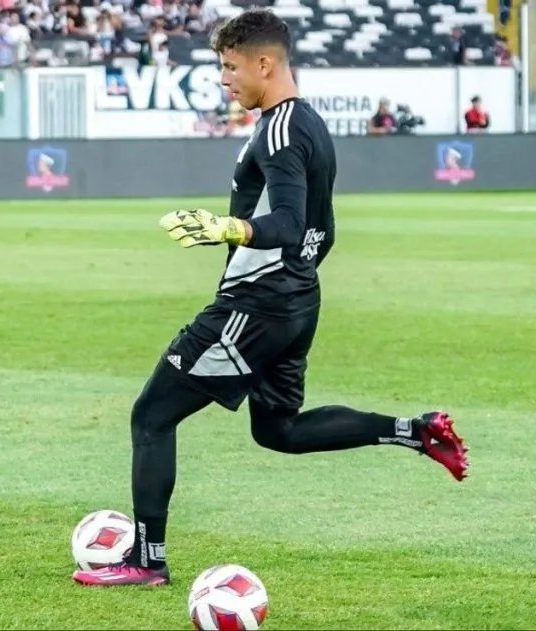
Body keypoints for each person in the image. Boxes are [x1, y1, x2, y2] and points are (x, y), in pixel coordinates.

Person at [72, 7, 470, 589]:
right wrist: (292, 280)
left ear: (265, 63)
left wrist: (234, 233)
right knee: (277, 430)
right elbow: (322, 229)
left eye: (231, 67)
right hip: (293, 300)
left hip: (255, 307)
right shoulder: (305, 124)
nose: (225, 79)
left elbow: (286, 219)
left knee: (152, 417)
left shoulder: (281, 129)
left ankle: (147, 561)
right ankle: (415, 430)